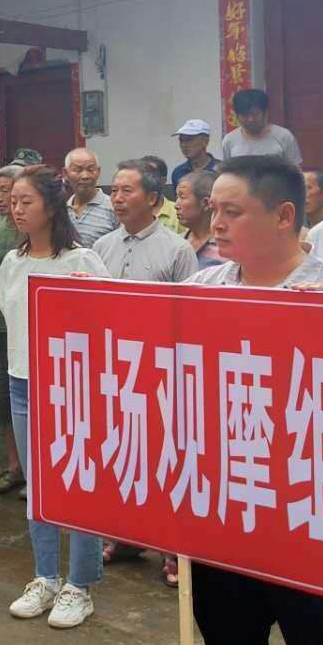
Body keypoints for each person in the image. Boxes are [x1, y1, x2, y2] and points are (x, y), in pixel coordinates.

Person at [183, 156, 323, 645]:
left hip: (307, 521)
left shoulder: (321, 294)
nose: (215, 223)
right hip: (228, 512)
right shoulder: (202, 289)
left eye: (232, 211)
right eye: (213, 209)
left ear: (284, 216)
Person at [0, 165, 110, 628]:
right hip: (22, 383)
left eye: (26, 201)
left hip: (70, 387)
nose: (17, 209)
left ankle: (79, 584)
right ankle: (45, 576)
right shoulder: (13, 261)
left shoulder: (81, 261)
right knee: (38, 486)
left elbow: (109, 318)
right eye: (13, 202)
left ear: (51, 205)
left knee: (78, 486)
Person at [93, 159, 197, 581]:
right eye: (114, 191)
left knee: (165, 457)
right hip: (114, 367)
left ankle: (173, 549)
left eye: (126, 191)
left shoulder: (177, 249)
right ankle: (126, 535)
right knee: (122, 453)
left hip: (162, 370)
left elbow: (190, 316)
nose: (117, 199)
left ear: (153, 198)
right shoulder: (102, 247)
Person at [0, 164, 25, 496]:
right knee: (6, 400)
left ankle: (35, 470)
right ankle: (15, 467)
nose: (0, 198)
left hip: (25, 326)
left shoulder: (31, 230)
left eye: (6, 191)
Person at [221, 88, 302, 164]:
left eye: (255, 114)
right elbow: (227, 171)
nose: (250, 119)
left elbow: (295, 169)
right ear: (237, 116)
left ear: (265, 113)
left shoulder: (284, 136)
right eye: (245, 115)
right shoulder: (229, 140)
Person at [64, 148, 119, 248]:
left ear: (99, 171)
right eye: (78, 170)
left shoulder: (115, 207)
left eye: (90, 170)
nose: (85, 176)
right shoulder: (61, 211)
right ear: (65, 173)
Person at [176, 170, 223, 270]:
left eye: (182, 197)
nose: (176, 205)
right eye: (177, 197)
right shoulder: (176, 243)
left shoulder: (225, 246)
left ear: (206, 203)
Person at [142, 156, 185, 233]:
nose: (146, 180)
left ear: (163, 181)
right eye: (142, 176)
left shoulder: (178, 211)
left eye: (151, 176)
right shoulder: (131, 212)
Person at [171, 119, 219, 185]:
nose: (184, 145)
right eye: (181, 140)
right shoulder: (178, 172)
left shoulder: (221, 170)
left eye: (189, 140)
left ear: (205, 141)